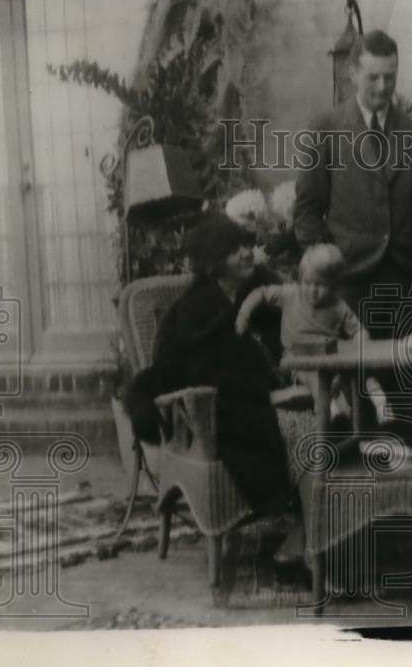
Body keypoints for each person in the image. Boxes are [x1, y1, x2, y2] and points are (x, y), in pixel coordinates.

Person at [123, 215, 297, 518]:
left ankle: (314, 516)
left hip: (279, 387)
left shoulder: (265, 289)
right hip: (219, 402)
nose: (246, 253)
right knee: (286, 427)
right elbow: (201, 374)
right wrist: (264, 391)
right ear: (212, 262)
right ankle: (289, 515)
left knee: (328, 416)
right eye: (233, 249)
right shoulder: (196, 308)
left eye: (247, 244)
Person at [293, 30, 412, 319]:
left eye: (390, 76)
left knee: (411, 363)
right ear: (352, 73)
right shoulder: (325, 128)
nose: (383, 87)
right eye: (373, 77)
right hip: (348, 282)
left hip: (409, 280)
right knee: (353, 363)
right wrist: (327, 264)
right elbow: (307, 211)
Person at [235, 242, 390, 424]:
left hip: (331, 355)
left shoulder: (338, 307)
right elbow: (261, 293)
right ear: (300, 278)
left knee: (360, 372)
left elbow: (357, 330)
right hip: (298, 359)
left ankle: (381, 406)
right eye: (307, 282)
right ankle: (334, 415)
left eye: (321, 285)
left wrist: (362, 342)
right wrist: (244, 315)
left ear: (334, 284)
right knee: (318, 377)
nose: (312, 290)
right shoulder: (291, 295)